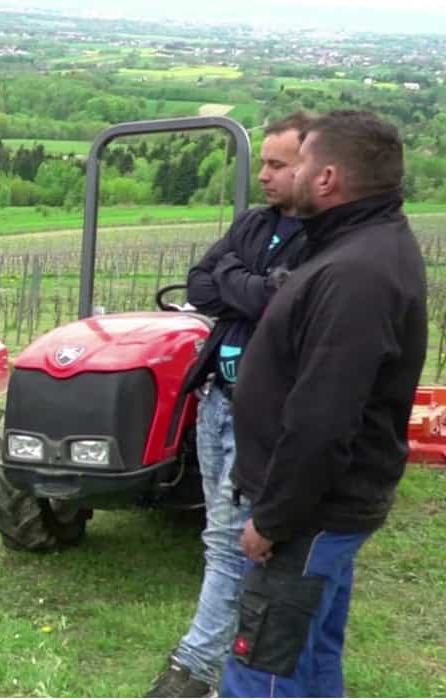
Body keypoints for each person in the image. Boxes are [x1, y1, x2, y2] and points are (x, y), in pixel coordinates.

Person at [221, 110, 426, 697]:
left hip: (308, 516)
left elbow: (324, 418)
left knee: (263, 668)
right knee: (308, 662)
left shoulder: (356, 272)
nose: (286, 175)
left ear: (328, 177)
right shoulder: (361, 246)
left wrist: (274, 518)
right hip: (324, 510)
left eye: (301, 162)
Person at [147, 112, 313, 697]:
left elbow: (285, 304)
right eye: (262, 162)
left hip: (259, 408)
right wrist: (259, 286)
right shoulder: (253, 222)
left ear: (312, 167)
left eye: (277, 165)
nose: (264, 175)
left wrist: (240, 284)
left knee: (231, 537)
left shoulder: (323, 238)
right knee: (219, 533)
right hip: (215, 395)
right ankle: (231, 651)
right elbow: (198, 284)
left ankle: (197, 667)